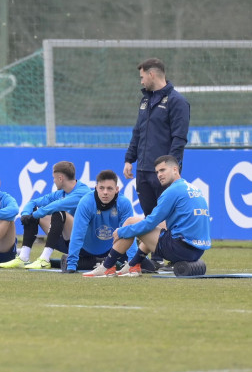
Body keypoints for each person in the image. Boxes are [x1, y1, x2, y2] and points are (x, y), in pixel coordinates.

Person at [85, 155, 210, 277]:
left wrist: (123, 231)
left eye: (162, 170)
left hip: (180, 249)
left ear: (175, 169)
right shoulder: (194, 189)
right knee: (157, 225)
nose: (159, 175)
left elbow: (150, 223)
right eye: (157, 172)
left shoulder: (172, 191)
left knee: (131, 222)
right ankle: (134, 264)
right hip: (197, 251)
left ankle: (107, 266)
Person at [124, 58, 190, 216]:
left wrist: (169, 168)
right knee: (150, 219)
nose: (141, 82)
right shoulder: (145, 100)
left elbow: (179, 139)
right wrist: (129, 159)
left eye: (142, 77)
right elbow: (137, 132)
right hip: (142, 171)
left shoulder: (177, 102)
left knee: (169, 219)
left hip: (163, 172)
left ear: (151, 74)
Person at [0, 160, 91, 269]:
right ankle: (23, 257)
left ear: (60, 178)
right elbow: (33, 202)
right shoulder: (61, 193)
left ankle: (44, 259)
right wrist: (25, 214)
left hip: (84, 243)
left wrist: (34, 216)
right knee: (34, 210)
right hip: (67, 241)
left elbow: (58, 205)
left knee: (59, 212)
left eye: (54, 178)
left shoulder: (83, 192)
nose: (54, 181)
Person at [61, 169, 138, 273]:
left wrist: (133, 262)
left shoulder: (124, 203)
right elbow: (77, 234)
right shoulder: (86, 202)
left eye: (109, 188)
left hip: (112, 250)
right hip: (86, 251)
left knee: (148, 266)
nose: (105, 192)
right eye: (101, 188)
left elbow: (129, 233)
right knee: (71, 263)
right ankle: (71, 260)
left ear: (117, 189)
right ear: (96, 188)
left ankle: (108, 262)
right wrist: (71, 266)